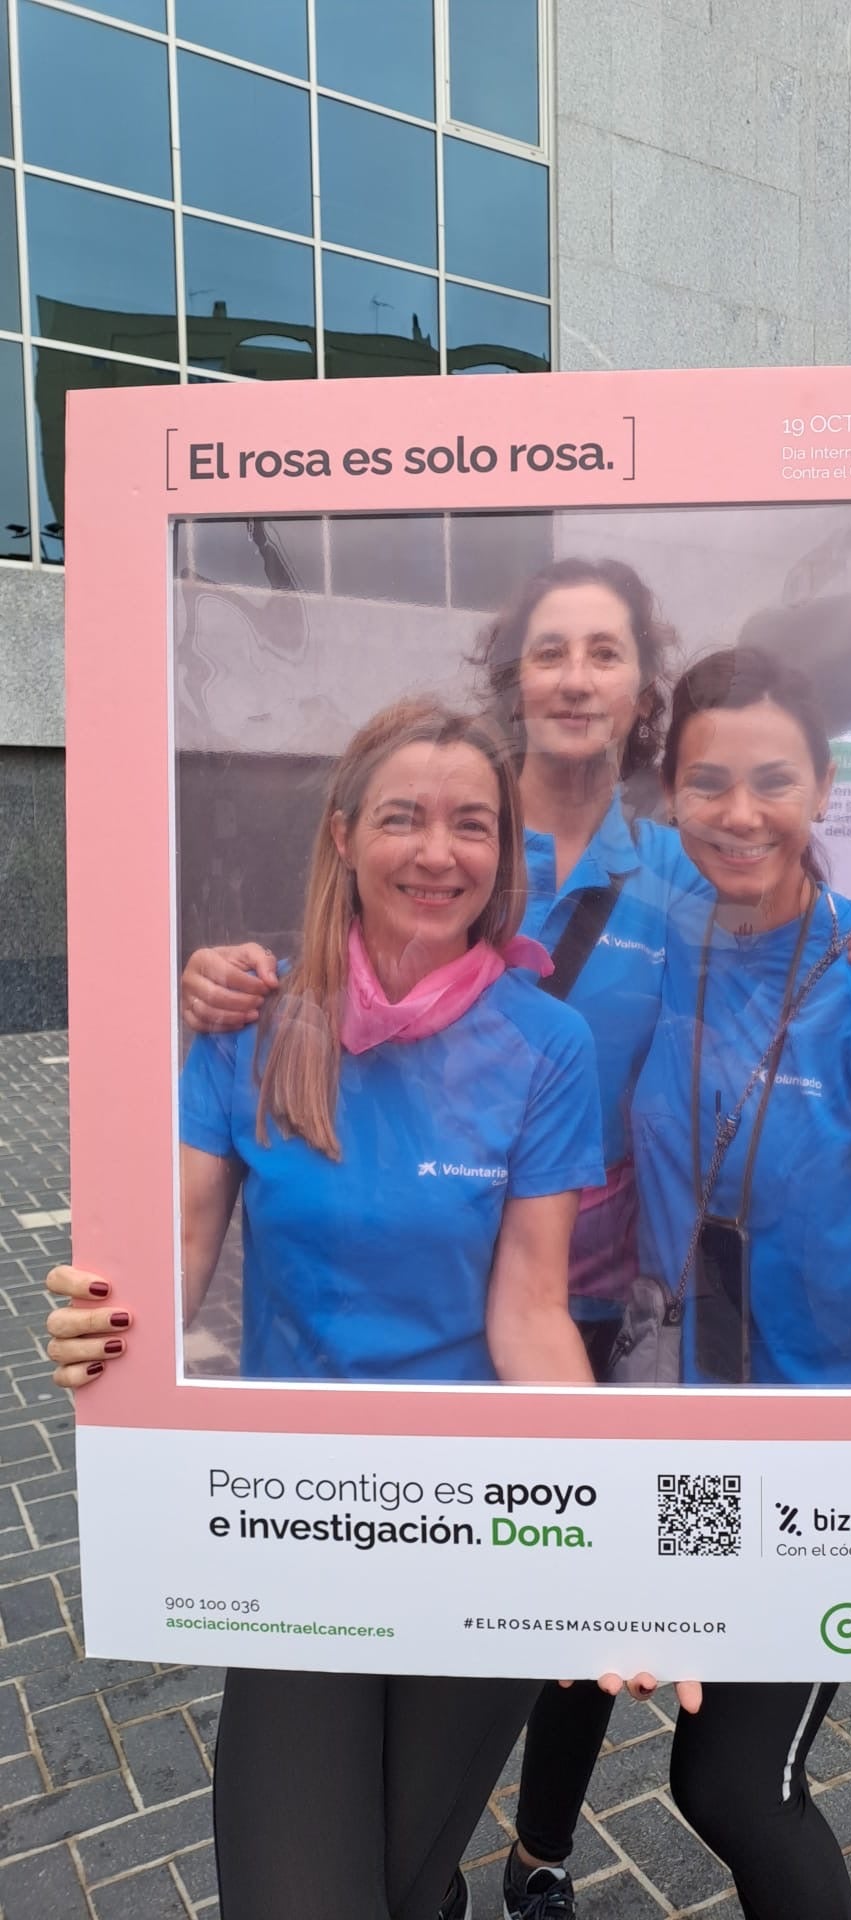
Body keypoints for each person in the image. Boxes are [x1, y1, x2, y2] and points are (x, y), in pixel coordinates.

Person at [177, 558, 851, 1920]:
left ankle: (537, 1849)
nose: (579, 676)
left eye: (609, 650)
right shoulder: (413, 920)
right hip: (560, 1380)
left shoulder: (670, 875)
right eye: (554, 648)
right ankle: (534, 1848)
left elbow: (827, 961)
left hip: (616, 1352)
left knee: (691, 1751)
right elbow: (171, 1242)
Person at [47, 695, 606, 1920]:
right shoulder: (253, 1024)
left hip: (481, 1517)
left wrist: (601, 1539)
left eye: (472, 825)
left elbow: (529, 1314)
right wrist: (103, 1329)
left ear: (503, 856)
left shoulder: (548, 1044)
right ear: (344, 837)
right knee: (297, 1894)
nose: (438, 851)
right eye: (404, 817)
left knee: (404, 1887)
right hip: (300, 1514)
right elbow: (176, 1245)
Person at [632, 645, 851, 1391]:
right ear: (670, 794)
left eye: (775, 782)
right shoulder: (647, 947)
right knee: (700, 1516)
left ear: (824, 789)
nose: (740, 815)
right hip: (682, 1414)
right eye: (708, 784)